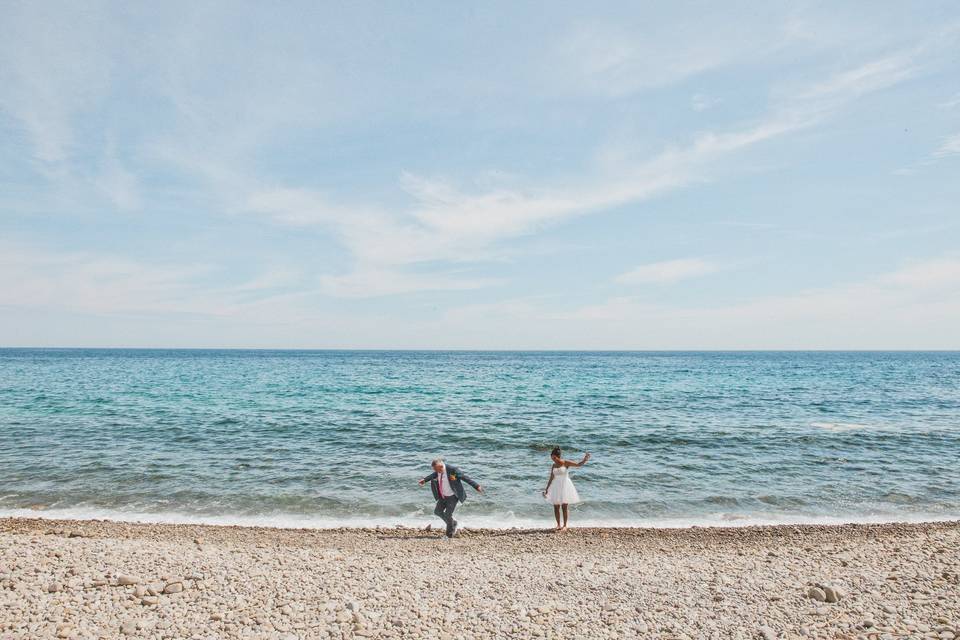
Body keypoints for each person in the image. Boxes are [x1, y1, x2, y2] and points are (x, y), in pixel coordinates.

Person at [419, 458, 484, 538]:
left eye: (437, 469)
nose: (436, 471)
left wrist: (476, 486)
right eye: (435, 470)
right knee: (437, 511)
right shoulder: (438, 471)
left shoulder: (452, 470)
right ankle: (453, 523)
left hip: (452, 497)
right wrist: (425, 480)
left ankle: (449, 535)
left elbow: (464, 477)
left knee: (448, 514)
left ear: (441, 466)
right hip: (443, 496)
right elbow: (433, 475)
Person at [542, 447, 590, 532]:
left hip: (565, 485)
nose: (553, 459)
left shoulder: (566, 463)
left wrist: (585, 459)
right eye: (552, 457)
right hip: (555, 486)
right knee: (556, 506)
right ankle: (558, 525)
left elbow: (578, 465)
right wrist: (547, 488)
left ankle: (565, 525)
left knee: (564, 506)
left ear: (558, 456)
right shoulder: (553, 465)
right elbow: (551, 478)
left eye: (554, 457)